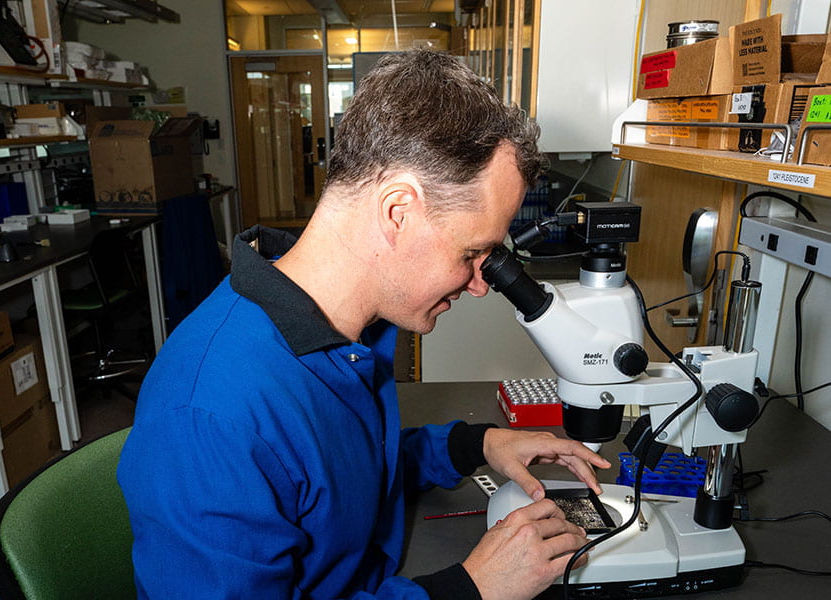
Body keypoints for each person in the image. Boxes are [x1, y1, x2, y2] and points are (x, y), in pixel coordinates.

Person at [118, 50, 611, 599]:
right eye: (474, 253)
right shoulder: (211, 417)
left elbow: (338, 474)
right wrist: (468, 590)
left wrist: (475, 445)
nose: (478, 284)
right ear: (398, 211)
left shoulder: (346, 331)